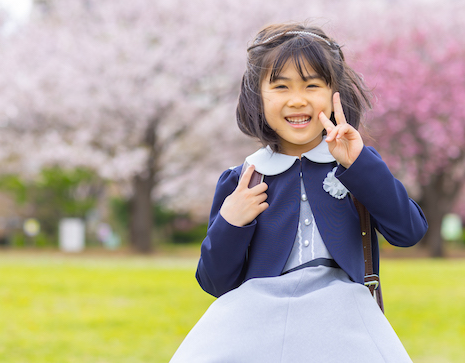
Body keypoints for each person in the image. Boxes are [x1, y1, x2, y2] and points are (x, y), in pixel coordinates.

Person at [170, 23, 428, 362]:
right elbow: (215, 282)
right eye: (280, 86)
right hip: (255, 319)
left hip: (342, 319)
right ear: (257, 96)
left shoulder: (355, 164)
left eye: (312, 85)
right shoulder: (243, 179)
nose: (297, 100)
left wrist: (359, 165)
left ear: (337, 93)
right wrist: (231, 222)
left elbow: (408, 232)